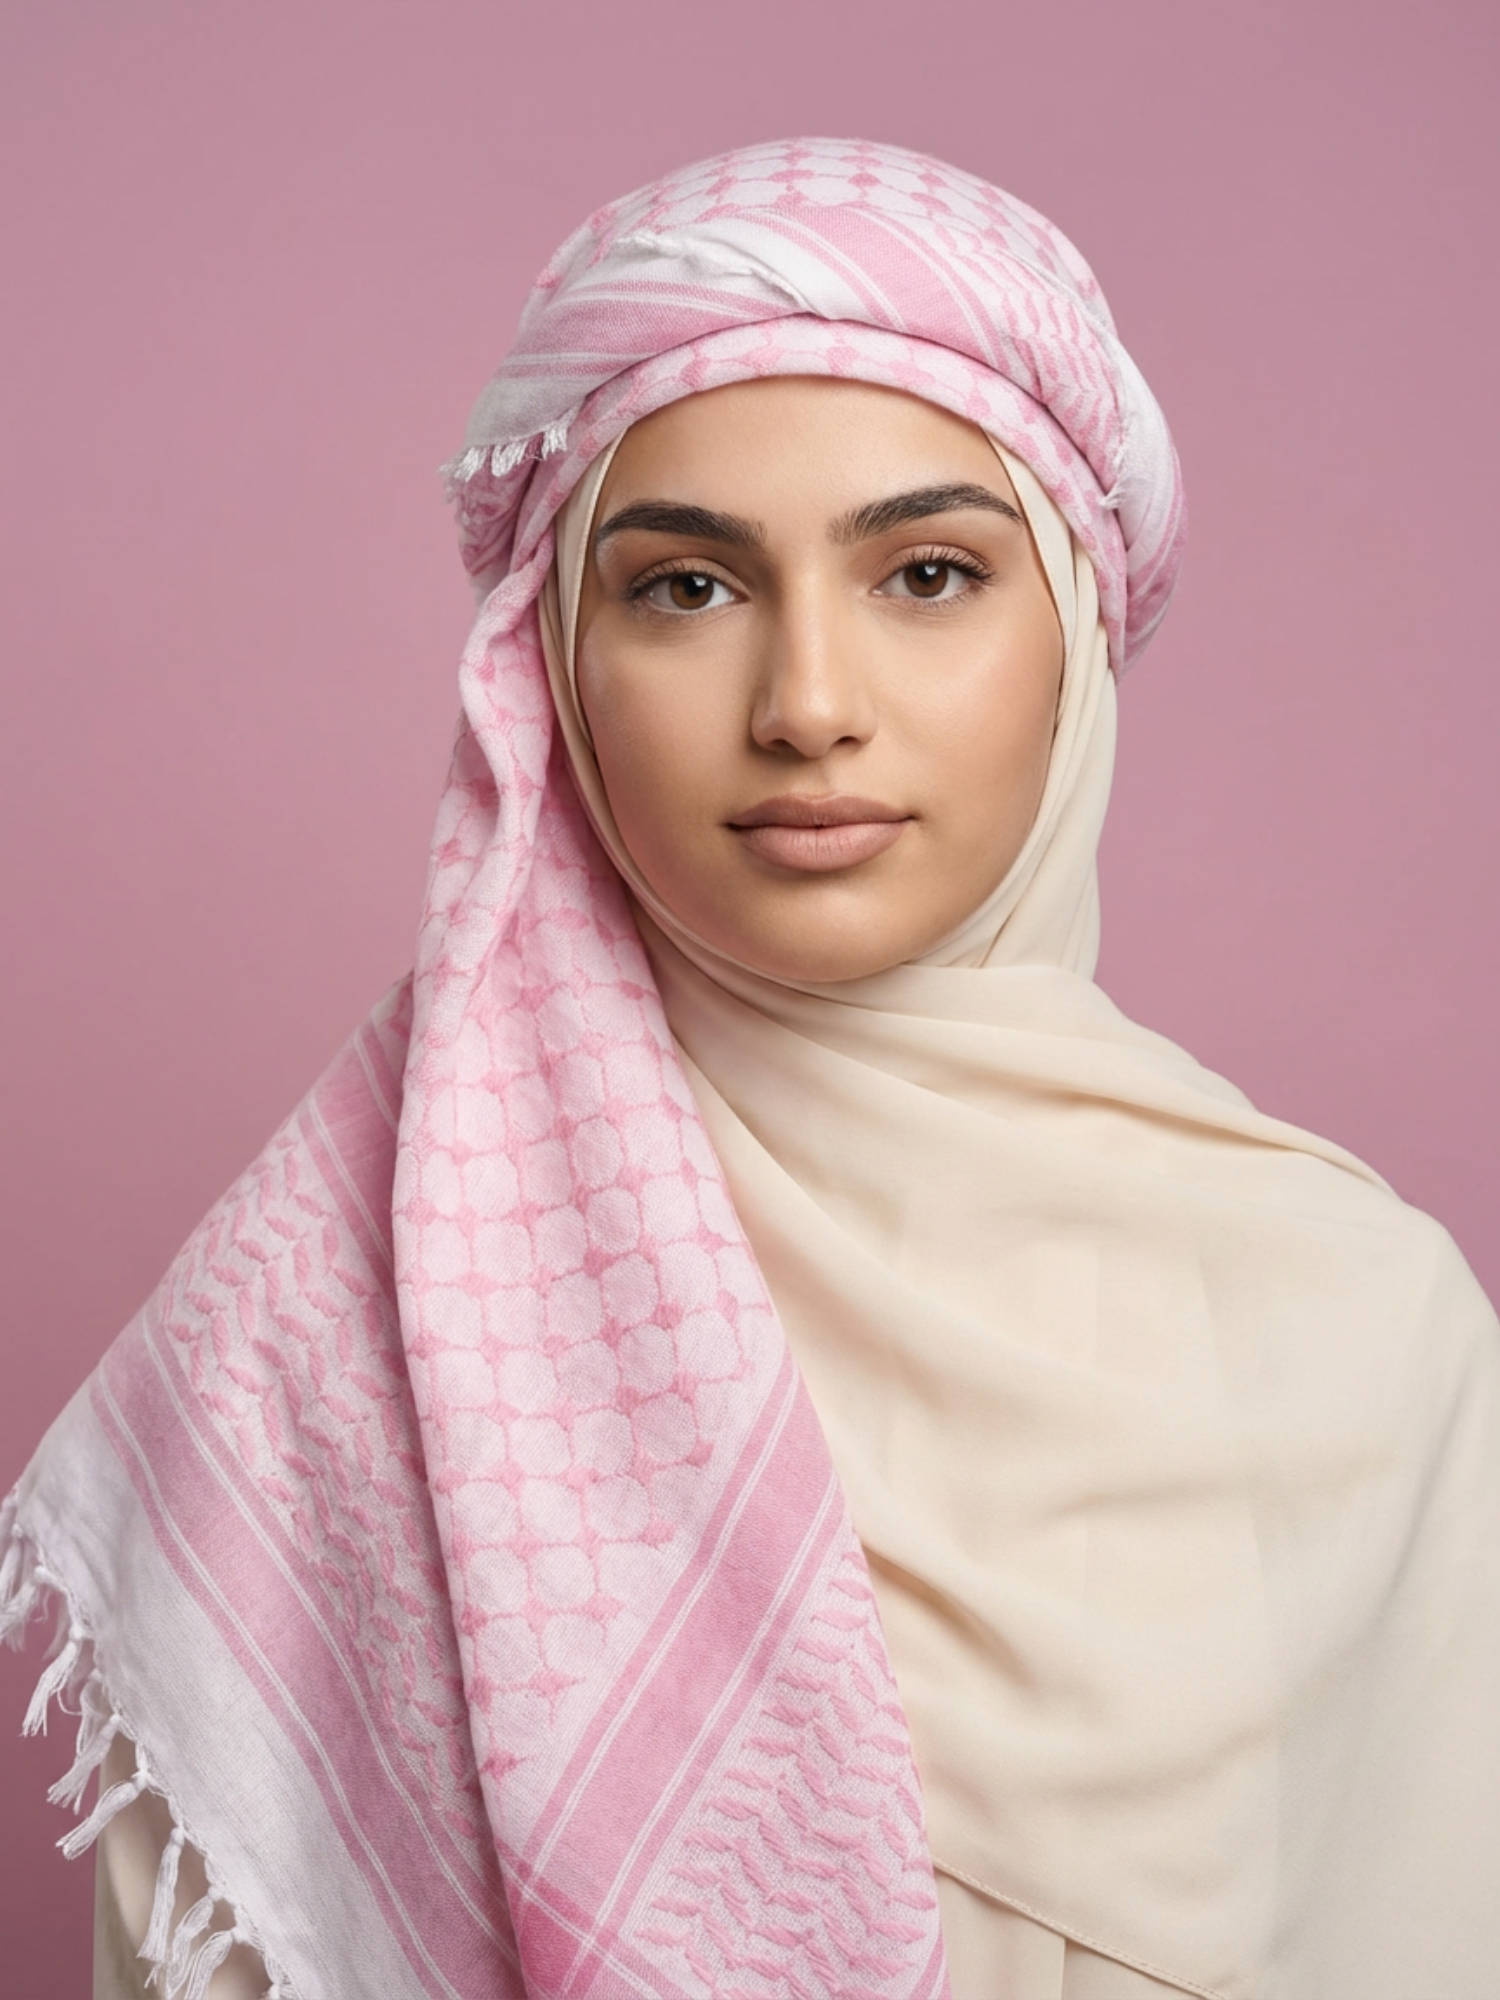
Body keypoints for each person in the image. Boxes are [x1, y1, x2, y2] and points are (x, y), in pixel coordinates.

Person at [5, 137, 1499, 2000]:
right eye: (688, 591)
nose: (807, 700)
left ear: (1080, 644)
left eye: (931, 573)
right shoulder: (327, 1321)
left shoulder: (1369, 1332)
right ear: (554, 666)